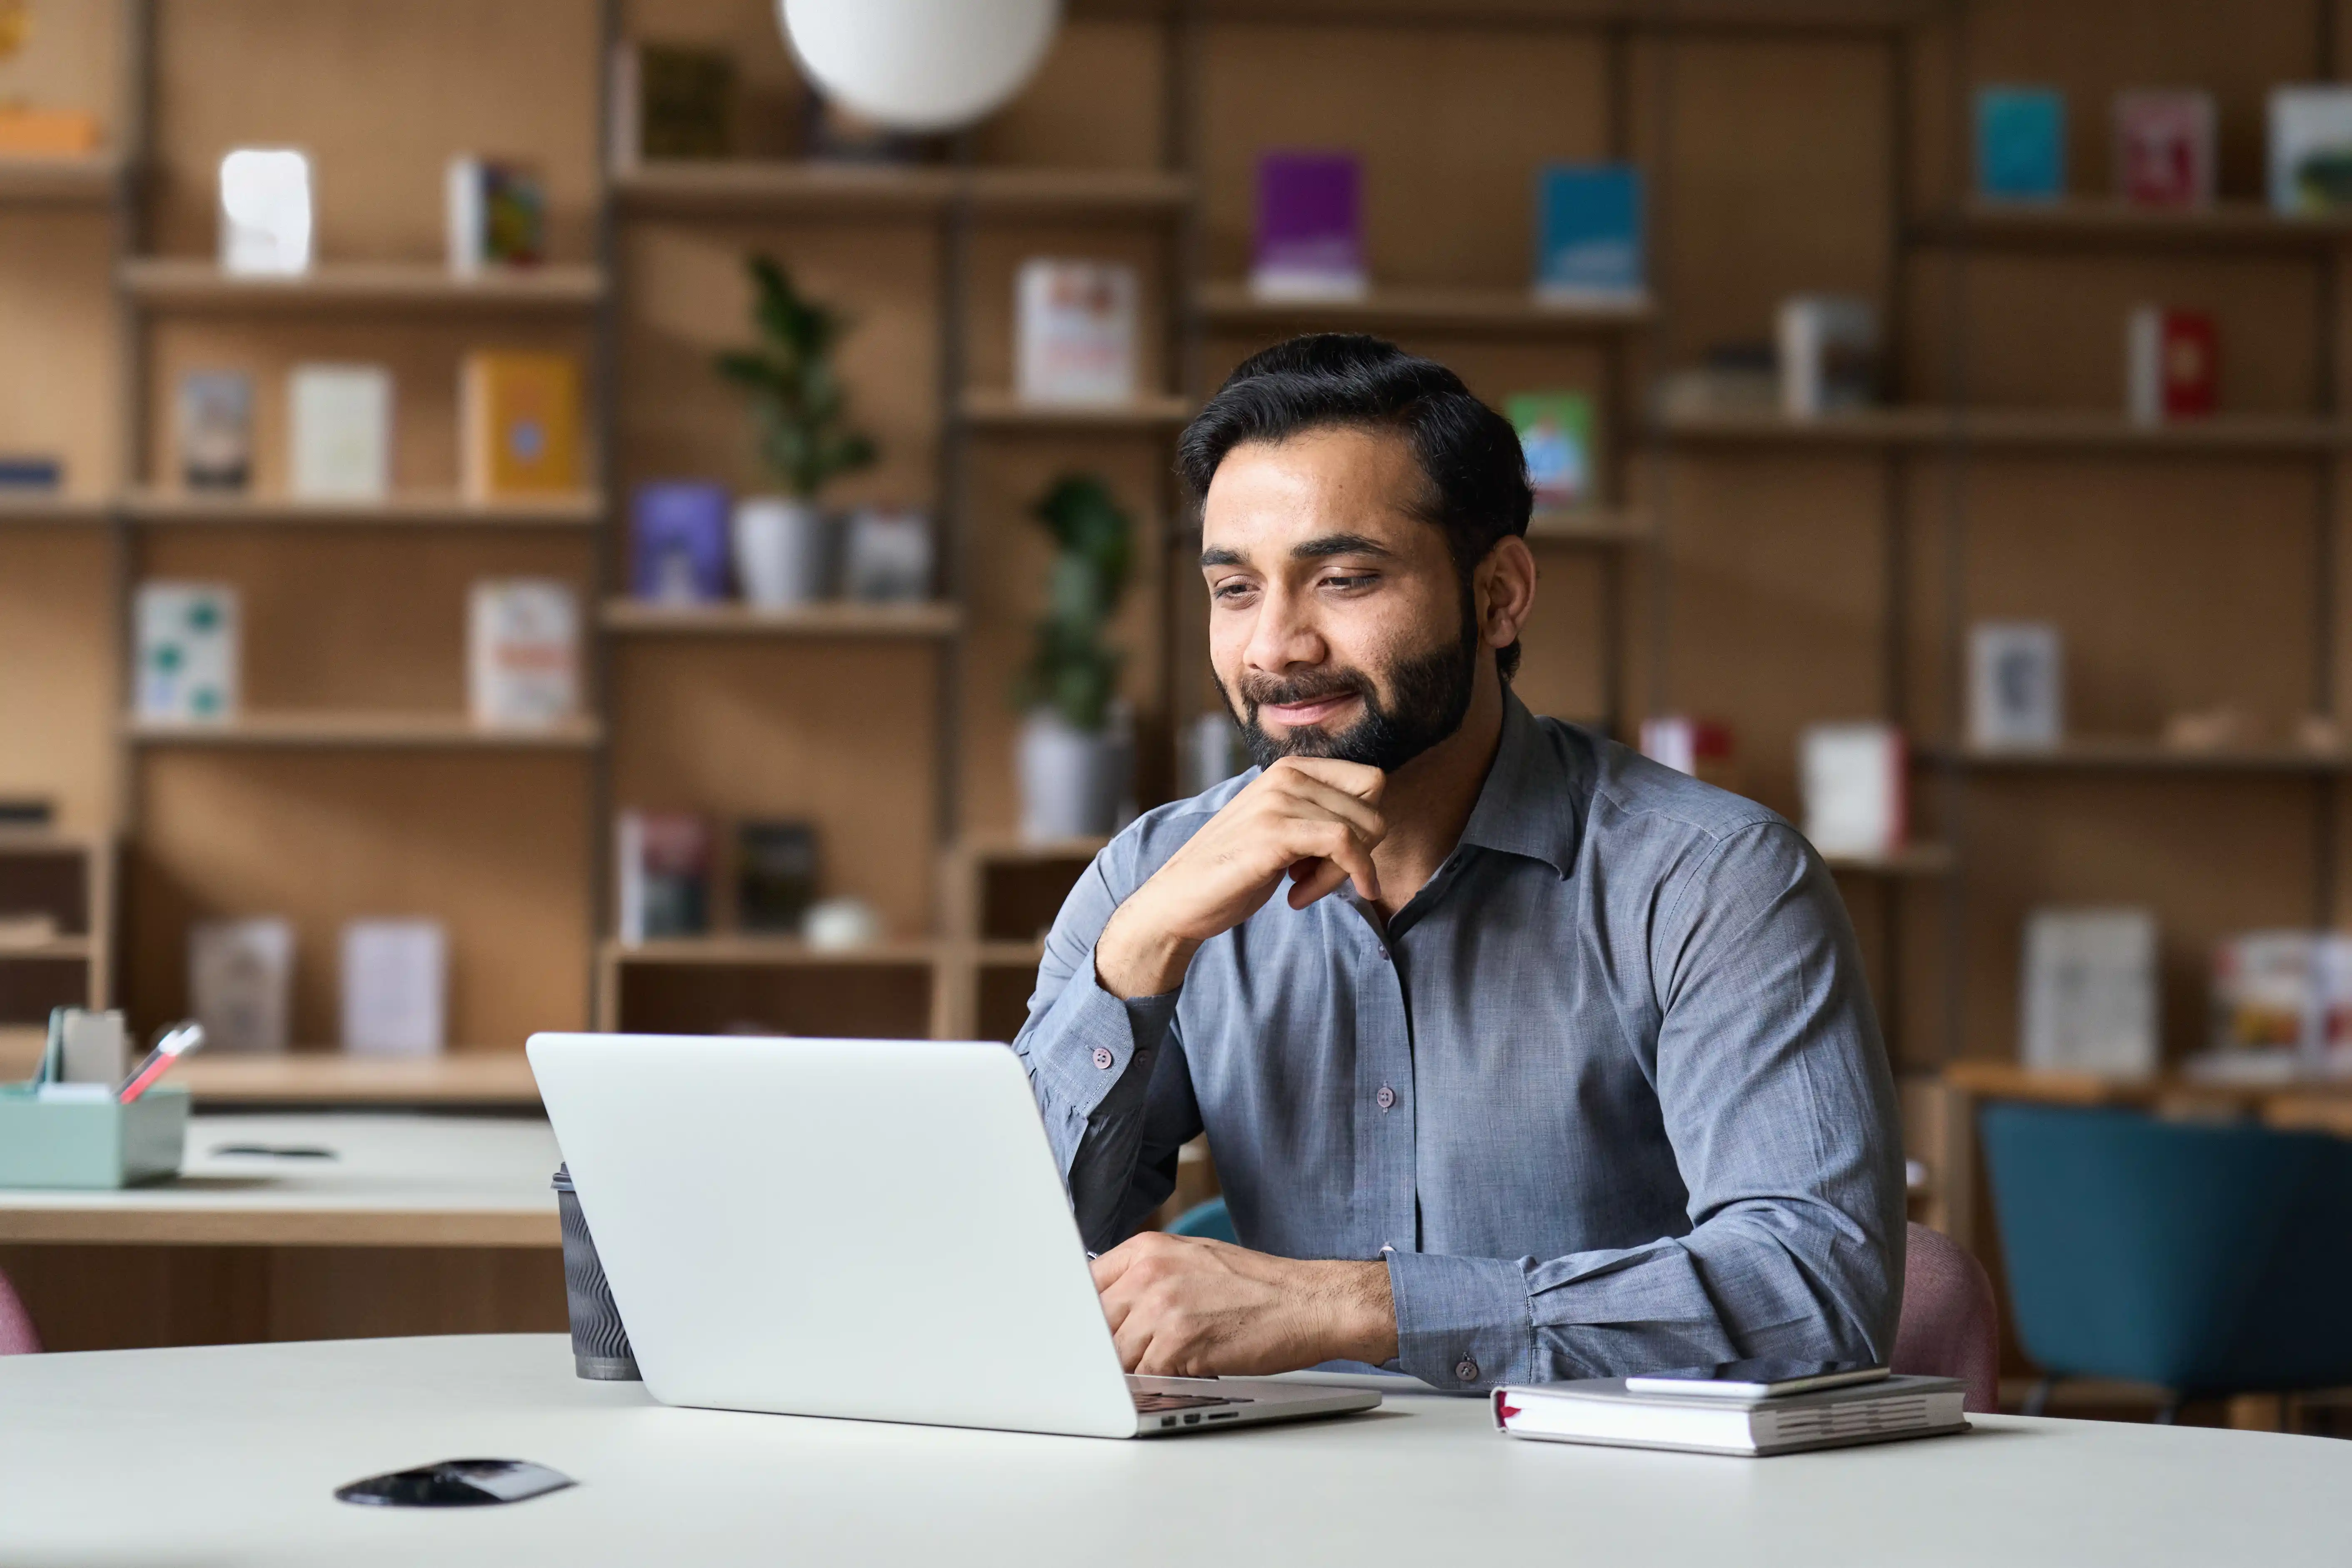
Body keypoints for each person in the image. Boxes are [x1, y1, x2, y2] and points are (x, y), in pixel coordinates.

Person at [1011, 333, 1904, 1393]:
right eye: (1236, 589)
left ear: (1499, 595)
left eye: (1342, 578)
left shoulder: (1714, 880)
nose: (1274, 648)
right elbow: (993, 1271)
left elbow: (1816, 1291)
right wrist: (1138, 958)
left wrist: (1362, 1305)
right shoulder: (1149, 879)